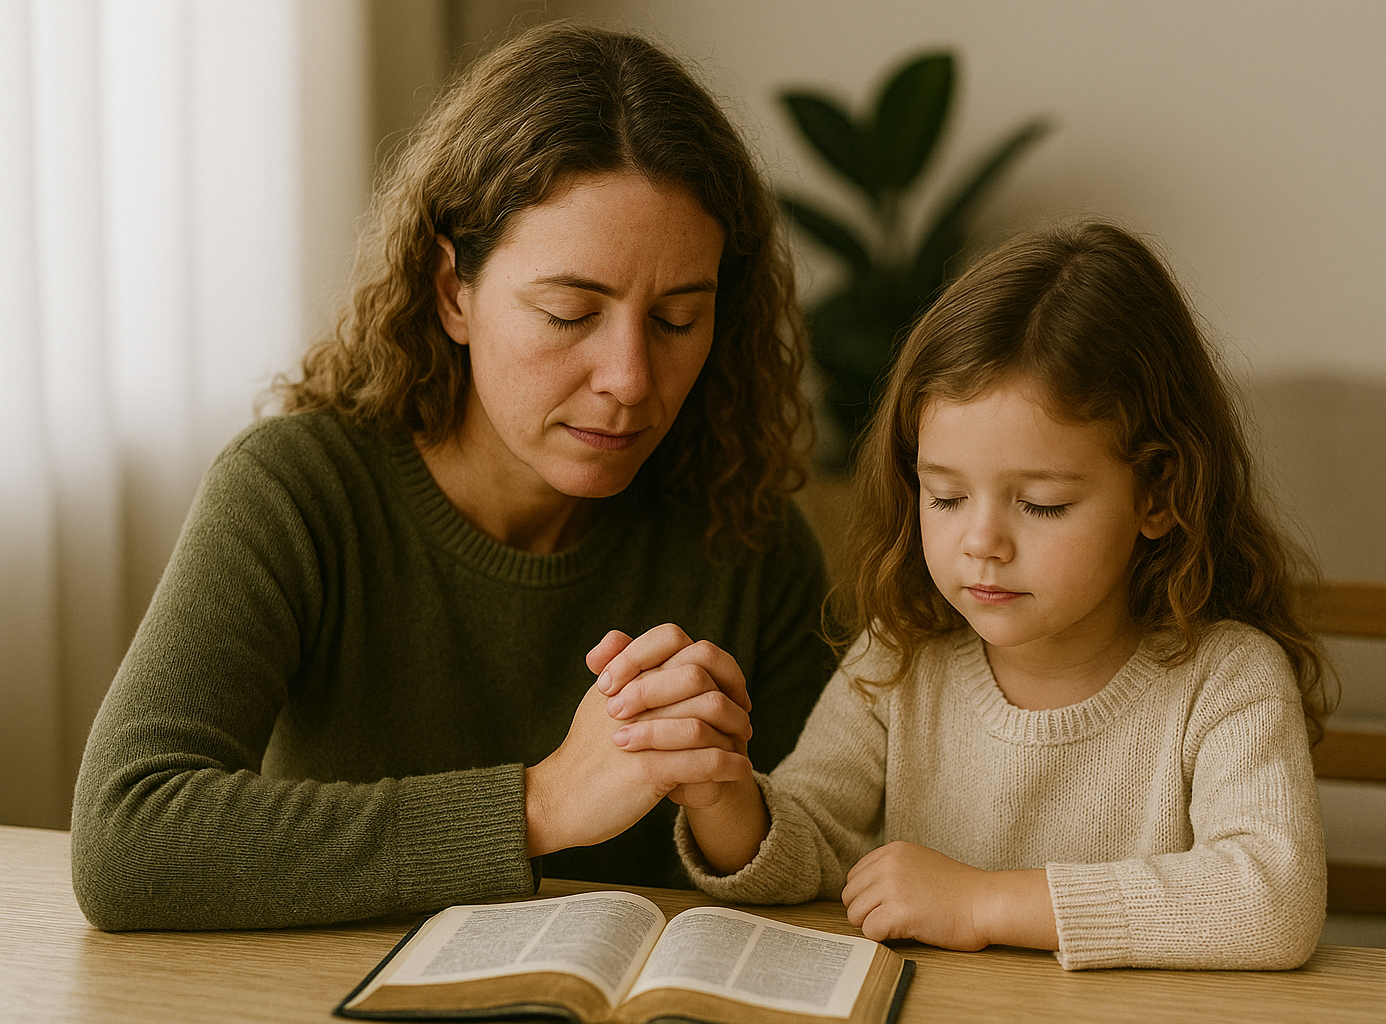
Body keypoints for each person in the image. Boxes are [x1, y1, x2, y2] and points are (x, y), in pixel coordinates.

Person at [69, 23, 833, 931]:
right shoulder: (296, 492)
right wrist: (541, 803)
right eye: (568, 312)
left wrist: (733, 823)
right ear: (451, 292)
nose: (630, 379)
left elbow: (828, 861)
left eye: (675, 321)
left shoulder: (746, 535)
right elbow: (128, 837)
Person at [600, 221, 1332, 970]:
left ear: (1160, 493)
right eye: (945, 497)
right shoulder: (900, 659)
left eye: (1041, 504)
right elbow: (812, 839)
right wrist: (721, 793)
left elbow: (1271, 902)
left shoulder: (1228, 679)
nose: (982, 542)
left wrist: (983, 902)